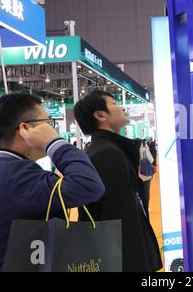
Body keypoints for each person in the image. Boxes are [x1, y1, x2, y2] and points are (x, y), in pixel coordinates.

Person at [0, 93, 106, 272]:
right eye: (48, 123)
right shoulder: (13, 175)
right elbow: (89, 185)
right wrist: (55, 143)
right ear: (25, 129)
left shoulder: (0, 170)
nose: (52, 129)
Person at [74, 90, 162, 272]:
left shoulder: (105, 150)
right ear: (100, 115)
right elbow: (122, 220)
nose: (121, 107)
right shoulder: (108, 154)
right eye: (113, 103)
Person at [138, 139, 154, 218]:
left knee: (141, 192)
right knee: (146, 193)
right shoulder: (145, 149)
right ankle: (146, 207)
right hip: (146, 175)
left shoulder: (136, 150)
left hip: (139, 175)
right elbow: (151, 159)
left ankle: (142, 207)